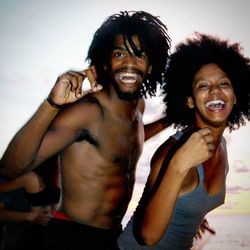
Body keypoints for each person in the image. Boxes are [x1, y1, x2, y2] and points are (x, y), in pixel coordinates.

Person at [0, 11, 171, 250]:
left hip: (111, 237)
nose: (129, 64)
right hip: (71, 236)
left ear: (151, 66)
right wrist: (52, 105)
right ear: (105, 62)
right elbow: (10, 167)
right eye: (119, 54)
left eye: (139, 55)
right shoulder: (87, 112)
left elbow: (122, 143)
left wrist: (169, 120)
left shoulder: (138, 109)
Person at [117, 32, 250, 249]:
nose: (215, 90)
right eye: (203, 86)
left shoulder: (221, 146)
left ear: (235, 96)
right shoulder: (170, 153)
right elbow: (148, 236)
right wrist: (178, 164)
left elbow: (185, 204)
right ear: (189, 101)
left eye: (224, 83)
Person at [0, 155, 60, 250]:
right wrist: (30, 216)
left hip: (44, 232)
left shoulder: (37, 176)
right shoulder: (28, 177)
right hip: (24, 230)